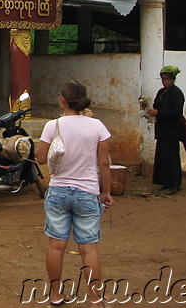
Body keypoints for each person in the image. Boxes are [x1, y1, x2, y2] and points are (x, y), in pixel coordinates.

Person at [35, 80, 113, 308]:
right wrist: (106, 192)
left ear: (62, 100)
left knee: (56, 246)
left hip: (58, 191)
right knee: (88, 248)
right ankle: (96, 300)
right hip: (88, 192)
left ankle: (56, 296)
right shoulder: (98, 126)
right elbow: (104, 164)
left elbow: (40, 158)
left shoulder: (53, 126)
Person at [145, 65, 185, 195]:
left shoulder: (177, 93)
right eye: (163, 79)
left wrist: (158, 112)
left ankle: (171, 185)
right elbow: (157, 106)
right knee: (164, 157)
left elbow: (176, 112)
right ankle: (171, 183)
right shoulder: (161, 92)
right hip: (163, 130)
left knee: (170, 158)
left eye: (168, 79)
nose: (165, 82)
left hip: (172, 131)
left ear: (173, 79)